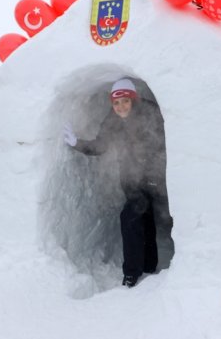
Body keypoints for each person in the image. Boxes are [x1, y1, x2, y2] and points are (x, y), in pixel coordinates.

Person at [64, 78, 174, 288]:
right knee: (138, 219)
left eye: (125, 101)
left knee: (139, 218)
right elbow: (101, 145)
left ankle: (139, 270)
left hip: (154, 177)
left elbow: (164, 144)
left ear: (133, 100)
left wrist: (155, 176)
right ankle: (142, 268)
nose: (120, 107)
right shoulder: (112, 120)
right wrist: (76, 143)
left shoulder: (150, 115)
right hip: (130, 179)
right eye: (116, 103)